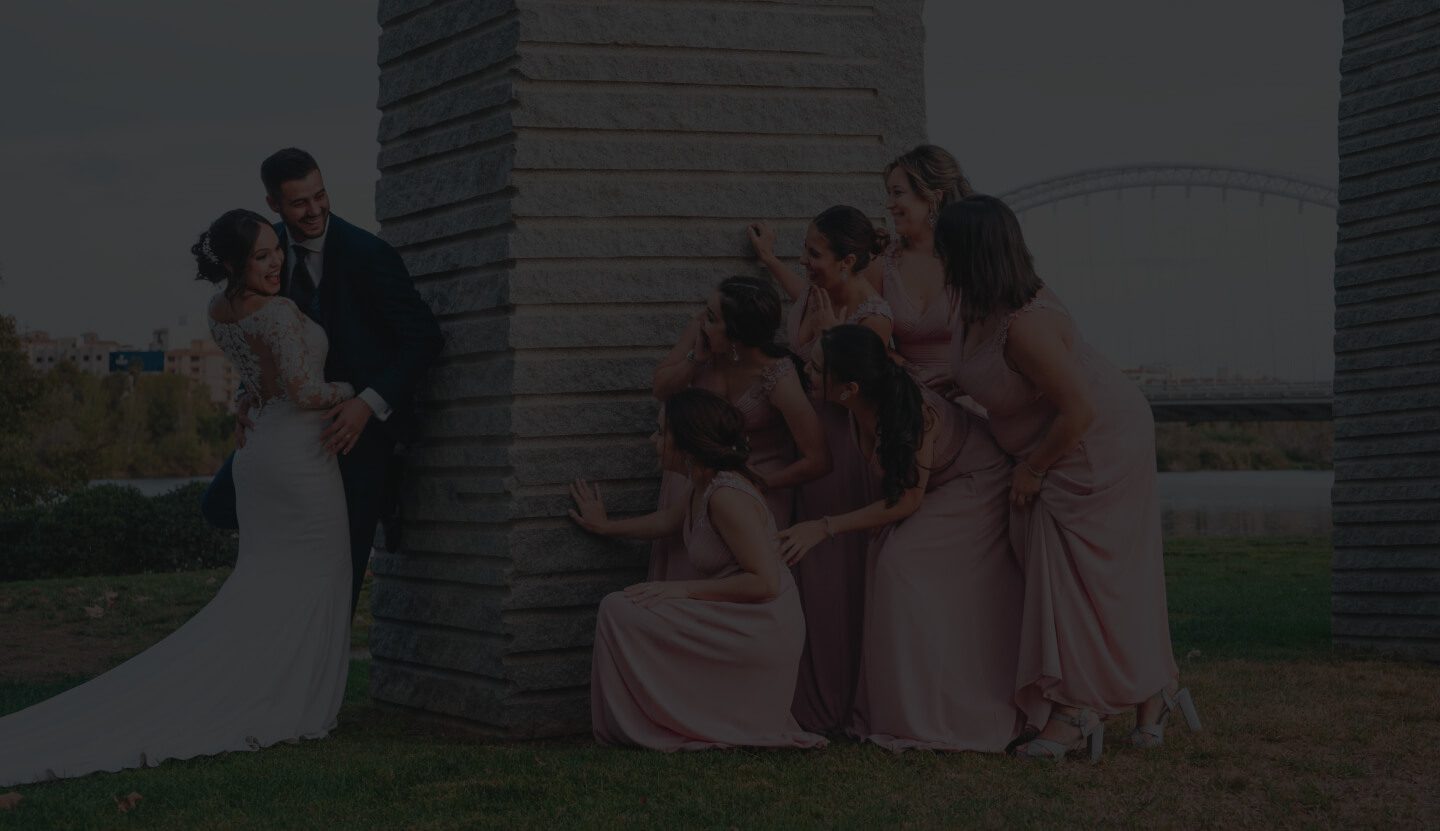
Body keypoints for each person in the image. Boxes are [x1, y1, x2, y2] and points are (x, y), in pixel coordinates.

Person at [0, 210, 356, 786]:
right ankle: (291, 702)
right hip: (297, 461)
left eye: (276, 252)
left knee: (264, 580)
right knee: (317, 575)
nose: (275, 264)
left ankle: (268, 689)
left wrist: (245, 400)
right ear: (236, 264)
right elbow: (304, 390)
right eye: (261, 256)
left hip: (258, 455)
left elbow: (252, 377)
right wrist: (356, 393)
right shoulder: (282, 313)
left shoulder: (219, 312)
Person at [940, 195, 1200, 760]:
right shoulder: (974, 308)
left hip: (1093, 444)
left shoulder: (1025, 326)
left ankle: (1077, 709)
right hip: (1058, 438)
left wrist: (1033, 468)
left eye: (944, 245)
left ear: (969, 253)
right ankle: (1155, 688)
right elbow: (994, 376)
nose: (936, 255)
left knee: (1076, 578)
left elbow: (1078, 409)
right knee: (1096, 578)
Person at [201, 148, 444, 614]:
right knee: (219, 504)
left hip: (353, 434)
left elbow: (424, 338)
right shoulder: (260, 249)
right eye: (298, 203)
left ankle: (380, 495)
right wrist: (248, 394)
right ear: (273, 204)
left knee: (340, 578)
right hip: (289, 429)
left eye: (320, 196)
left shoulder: (368, 254)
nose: (314, 211)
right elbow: (255, 335)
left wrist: (367, 403)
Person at [778, 325, 1032, 752]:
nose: (808, 372)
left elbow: (908, 501)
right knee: (883, 558)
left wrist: (824, 527)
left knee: (901, 565)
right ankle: (894, 708)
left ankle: (932, 715)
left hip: (978, 480)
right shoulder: (857, 404)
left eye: (818, 369)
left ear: (848, 388)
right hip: (936, 485)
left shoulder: (912, 415)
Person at [572, 389, 826, 751]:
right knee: (621, 608)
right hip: (733, 613)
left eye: (661, 432)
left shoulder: (727, 497)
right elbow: (668, 521)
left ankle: (652, 724)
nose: (653, 440)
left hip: (760, 624)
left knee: (618, 609)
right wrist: (606, 526)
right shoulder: (703, 484)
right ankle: (659, 718)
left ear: (687, 443)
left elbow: (766, 582)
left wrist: (682, 590)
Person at [747, 205, 893, 733]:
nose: (803, 261)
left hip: (845, 455)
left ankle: (842, 704)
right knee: (812, 579)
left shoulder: (872, 319)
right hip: (808, 456)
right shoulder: (815, 293)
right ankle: (808, 695)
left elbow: (863, 393)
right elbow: (797, 290)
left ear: (848, 260)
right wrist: (768, 259)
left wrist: (832, 343)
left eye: (813, 253)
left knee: (840, 580)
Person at [647, 275, 829, 581]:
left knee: (742, 568)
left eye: (712, 318)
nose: (703, 320)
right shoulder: (701, 333)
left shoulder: (778, 379)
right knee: (683, 567)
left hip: (758, 482)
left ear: (735, 336)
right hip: (694, 473)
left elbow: (819, 458)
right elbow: (660, 389)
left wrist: (761, 483)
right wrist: (694, 360)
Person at [865, 145, 973, 396]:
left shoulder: (972, 259)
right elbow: (867, 342)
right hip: (909, 399)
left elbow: (1004, 336)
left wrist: (961, 378)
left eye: (897, 193)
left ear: (934, 197)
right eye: (889, 194)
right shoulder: (882, 264)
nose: (889, 204)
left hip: (973, 398)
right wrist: (909, 372)